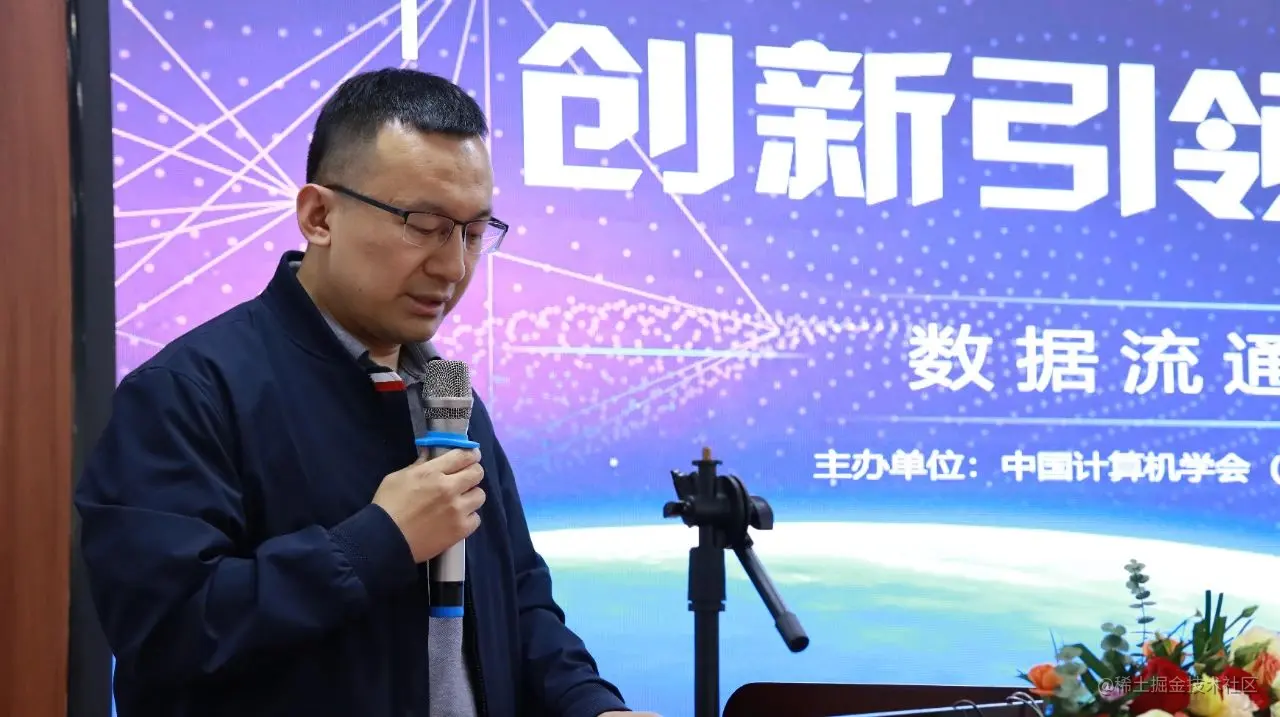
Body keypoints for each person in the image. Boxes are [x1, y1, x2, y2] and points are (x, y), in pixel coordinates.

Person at [76, 68, 660, 717]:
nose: (454, 267)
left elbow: (519, 601)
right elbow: (166, 632)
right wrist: (379, 540)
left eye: (473, 234)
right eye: (424, 224)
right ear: (319, 215)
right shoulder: (187, 394)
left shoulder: (448, 399)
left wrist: (591, 705)